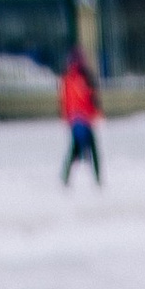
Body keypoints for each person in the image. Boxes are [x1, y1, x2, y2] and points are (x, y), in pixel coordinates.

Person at [59, 45, 102, 185]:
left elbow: (91, 97)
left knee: (81, 148)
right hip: (78, 118)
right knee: (84, 148)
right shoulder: (73, 79)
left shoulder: (81, 78)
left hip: (82, 118)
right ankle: (95, 177)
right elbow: (68, 99)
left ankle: (68, 176)